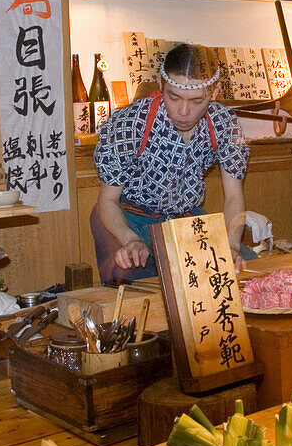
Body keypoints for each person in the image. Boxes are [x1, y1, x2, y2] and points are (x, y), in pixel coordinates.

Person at [91, 44, 250, 282]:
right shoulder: (130, 122)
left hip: (183, 219)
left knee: (236, 274)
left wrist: (232, 244)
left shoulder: (224, 123)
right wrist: (130, 240)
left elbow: (234, 197)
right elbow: (107, 200)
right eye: (173, 97)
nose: (183, 111)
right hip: (127, 217)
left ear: (214, 91)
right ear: (160, 84)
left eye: (197, 101)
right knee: (140, 282)